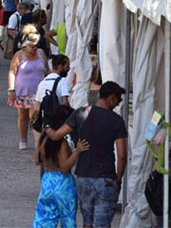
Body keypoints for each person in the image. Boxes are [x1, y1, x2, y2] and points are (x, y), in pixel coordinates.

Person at [46, 81, 128, 228]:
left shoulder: (80, 113)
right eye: (118, 99)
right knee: (102, 223)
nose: (118, 103)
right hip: (106, 177)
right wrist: (119, 179)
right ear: (111, 98)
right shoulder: (117, 121)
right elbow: (122, 155)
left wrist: (45, 126)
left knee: (87, 222)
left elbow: (57, 135)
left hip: (83, 175)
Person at [33, 107, 90, 228]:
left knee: (44, 218)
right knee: (67, 218)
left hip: (47, 180)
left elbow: (37, 160)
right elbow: (64, 167)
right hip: (63, 183)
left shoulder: (43, 137)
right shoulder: (62, 143)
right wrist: (77, 151)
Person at [7, 25, 49, 150]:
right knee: (23, 116)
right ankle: (23, 139)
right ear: (25, 45)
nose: (35, 49)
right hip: (23, 91)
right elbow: (12, 72)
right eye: (32, 46)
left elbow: (47, 70)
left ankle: (38, 142)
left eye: (37, 46)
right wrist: (11, 90)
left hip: (39, 93)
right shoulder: (19, 55)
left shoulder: (41, 53)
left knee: (35, 116)